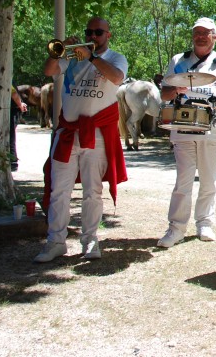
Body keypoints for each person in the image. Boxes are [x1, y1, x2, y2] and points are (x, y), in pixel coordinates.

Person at [34, 17, 128, 262]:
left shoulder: (116, 58)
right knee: (59, 190)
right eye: (89, 31)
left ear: (108, 35)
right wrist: (60, 50)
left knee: (92, 191)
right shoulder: (72, 58)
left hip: (95, 133)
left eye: (98, 32)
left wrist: (92, 58)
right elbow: (48, 70)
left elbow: (117, 78)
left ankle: (90, 240)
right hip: (68, 131)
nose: (93, 35)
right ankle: (55, 241)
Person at [157, 17, 216, 248]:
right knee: (183, 181)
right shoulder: (178, 60)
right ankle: (175, 228)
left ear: (215, 36)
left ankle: (204, 223)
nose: (201, 36)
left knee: (208, 179)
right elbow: (164, 94)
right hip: (182, 128)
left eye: (206, 32)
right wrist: (176, 89)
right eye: (197, 32)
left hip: (209, 128)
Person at [9, 85, 27, 171]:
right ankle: (13, 160)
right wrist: (20, 104)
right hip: (11, 111)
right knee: (11, 136)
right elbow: (13, 93)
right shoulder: (9, 82)